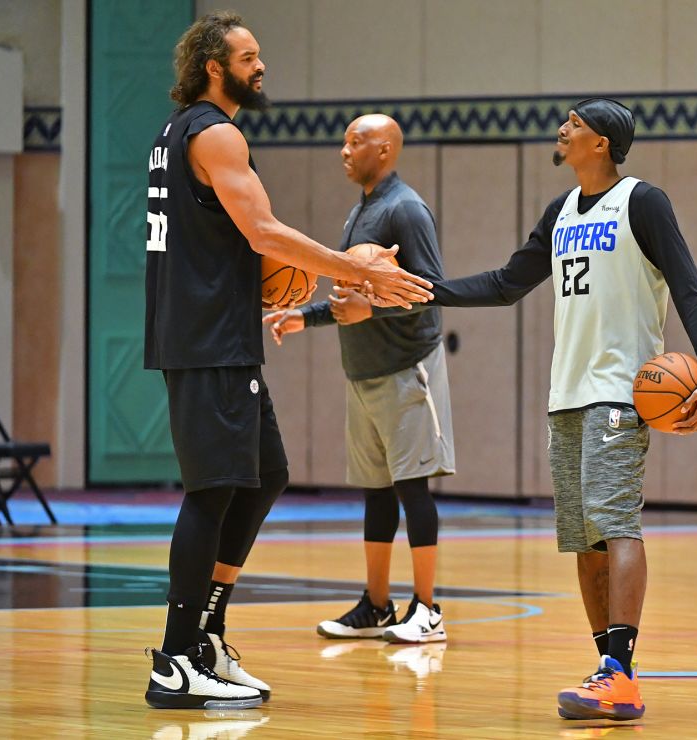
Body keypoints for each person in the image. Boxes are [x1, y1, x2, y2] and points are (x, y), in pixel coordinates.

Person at [143, 12, 433, 710]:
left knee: (266, 471)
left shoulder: (175, 134)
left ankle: (206, 633)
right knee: (212, 491)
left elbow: (249, 243)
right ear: (214, 66)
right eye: (248, 56)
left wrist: (302, 287)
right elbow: (264, 231)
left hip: (219, 334)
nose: (261, 65)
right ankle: (176, 658)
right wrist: (348, 272)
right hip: (208, 336)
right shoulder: (215, 132)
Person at [428, 98, 697, 721]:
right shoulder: (560, 211)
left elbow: (689, 283)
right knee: (585, 539)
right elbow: (508, 284)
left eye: (575, 124)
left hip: (622, 391)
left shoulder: (643, 201)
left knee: (616, 522)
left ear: (602, 143)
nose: (562, 130)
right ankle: (608, 671)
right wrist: (425, 291)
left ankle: (621, 671)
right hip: (566, 393)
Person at [263, 114, 454, 645]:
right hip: (363, 370)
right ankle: (376, 605)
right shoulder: (362, 210)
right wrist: (309, 316)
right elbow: (355, 295)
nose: (344, 150)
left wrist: (369, 313)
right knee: (375, 492)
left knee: (412, 487)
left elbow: (428, 290)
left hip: (407, 367)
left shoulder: (406, 209)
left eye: (356, 141)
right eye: (344, 140)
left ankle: (428, 609)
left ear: (386, 149)